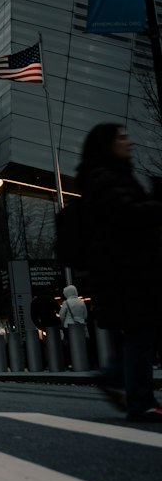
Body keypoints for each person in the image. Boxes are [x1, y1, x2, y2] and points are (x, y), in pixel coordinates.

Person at [76, 122, 162, 422]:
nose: (130, 142)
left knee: (141, 332)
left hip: (130, 270)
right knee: (142, 331)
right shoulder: (105, 178)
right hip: (127, 272)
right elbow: (126, 215)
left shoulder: (112, 176)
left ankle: (114, 377)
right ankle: (139, 400)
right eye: (122, 137)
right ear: (107, 145)